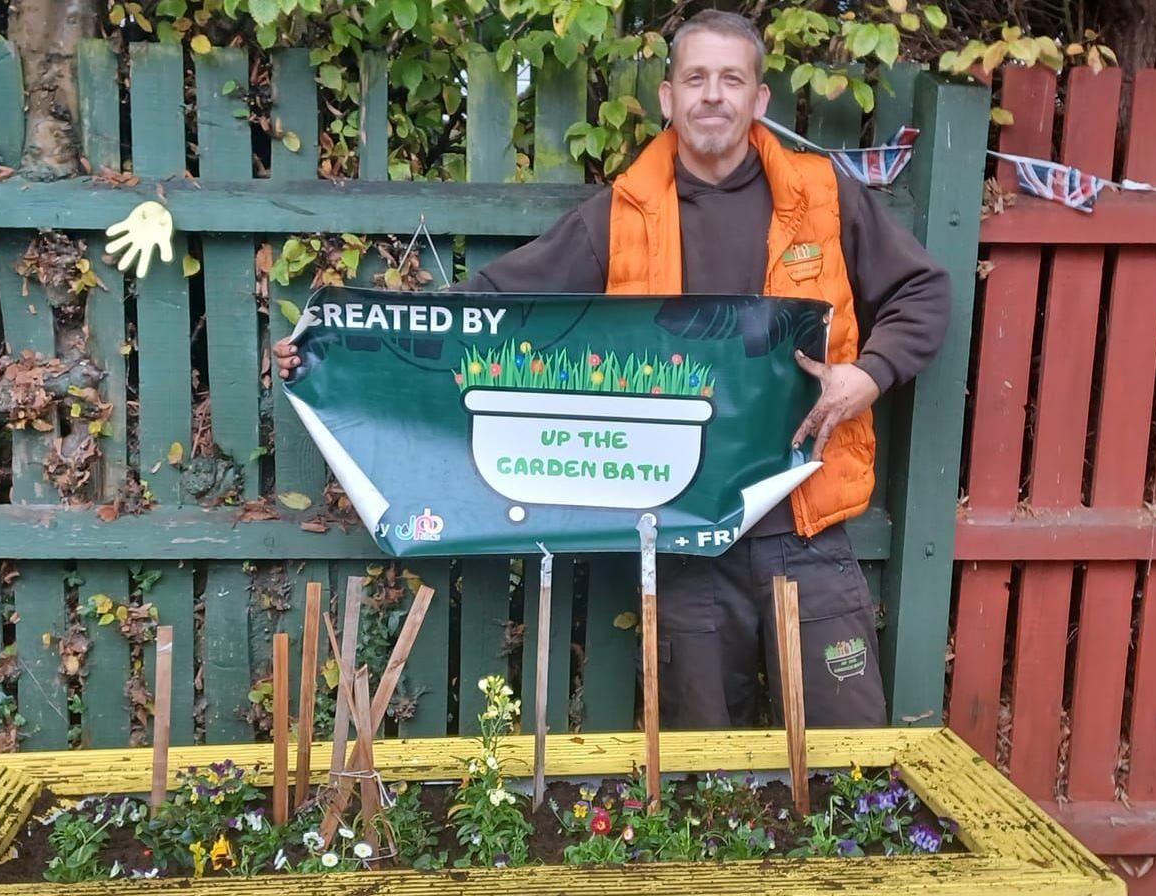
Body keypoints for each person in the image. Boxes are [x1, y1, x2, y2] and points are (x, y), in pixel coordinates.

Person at [274, 10, 951, 729]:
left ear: (759, 101)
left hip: (807, 526)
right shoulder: (624, 211)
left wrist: (871, 372)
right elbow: (495, 306)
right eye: (695, 78)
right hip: (685, 532)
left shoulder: (824, 194)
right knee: (700, 772)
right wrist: (336, 344)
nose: (712, 95)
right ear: (668, 98)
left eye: (732, 79)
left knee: (850, 757)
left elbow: (923, 291)